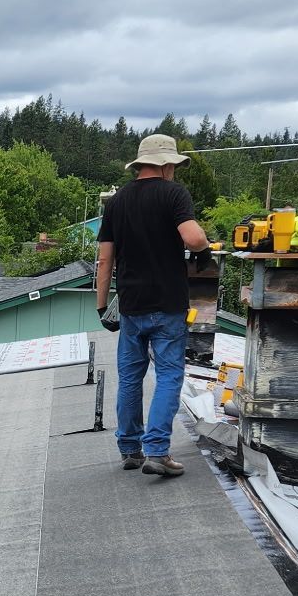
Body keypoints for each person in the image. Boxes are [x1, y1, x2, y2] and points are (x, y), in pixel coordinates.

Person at [95, 132, 210, 474]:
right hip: (168, 304)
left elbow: (105, 261)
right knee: (170, 375)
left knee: (130, 378)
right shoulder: (173, 194)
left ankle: (130, 449)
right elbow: (193, 236)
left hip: (131, 306)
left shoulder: (116, 201)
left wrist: (103, 307)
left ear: (141, 164)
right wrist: (203, 251)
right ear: (165, 166)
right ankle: (158, 451)